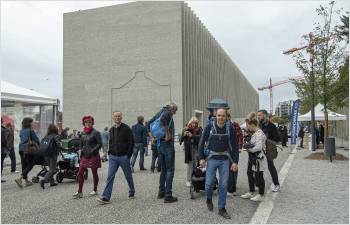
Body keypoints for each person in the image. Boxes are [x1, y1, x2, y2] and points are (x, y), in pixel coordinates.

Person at [198, 108, 239, 219]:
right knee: (209, 184)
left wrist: (235, 162)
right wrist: (201, 158)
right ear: (216, 116)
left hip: (225, 159)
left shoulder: (230, 128)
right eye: (219, 115)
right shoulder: (209, 127)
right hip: (211, 159)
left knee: (224, 185)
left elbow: (235, 146)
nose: (221, 118)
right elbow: (201, 142)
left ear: (226, 117)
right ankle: (209, 199)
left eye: (223, 116)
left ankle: (221, 208)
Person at [97, 111, 135, 204]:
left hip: (123, 157)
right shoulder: (111, 129)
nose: (117, 118)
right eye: (115, 116)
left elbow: (131, 142)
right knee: (110, 176)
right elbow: (111, 142)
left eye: (119, 116)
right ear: (113, 118)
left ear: (121, 117)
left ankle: (132, 190)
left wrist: (128, 155)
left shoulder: (126, 128)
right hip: (113, 157)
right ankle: (106, 197)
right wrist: (109, 153)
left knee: (128, 175)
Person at [147, 102, 178, 203]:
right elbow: (163, 119)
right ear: (172, 108)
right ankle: (168, 195)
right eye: (175, 111)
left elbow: (148, 123)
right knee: (170, 170)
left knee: (164, 169)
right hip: (168, 144)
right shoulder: (167, 112)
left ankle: (161, 191)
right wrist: (168, 133)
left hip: (160, 144)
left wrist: (152, 137)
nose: (174, 113)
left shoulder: (159, 112)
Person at [73, 116, 102, 199]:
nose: (88, 123)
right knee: (80, 172)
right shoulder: (82, 133)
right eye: (86, 122)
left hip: (93, 155)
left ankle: (95, 189)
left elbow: (99, 144)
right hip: (84, 155)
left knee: (94, 173)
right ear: (84, 123)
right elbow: (81, 144)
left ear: (92, 123)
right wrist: (81, 151)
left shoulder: (96, 133)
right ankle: (79, 192)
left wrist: (92, 151)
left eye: (89, 122)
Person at [241, 112, 267, 201]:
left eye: (248, 125)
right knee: (249, 173)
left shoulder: (259, 133)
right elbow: (253, 144)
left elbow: (259, 147)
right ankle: (251, 191)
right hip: (253, 157)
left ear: (252, 124)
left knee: (259, 175)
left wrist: (249, 149)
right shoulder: (255, 133)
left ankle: (261, 194)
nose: (248, 127)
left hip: (258, 157)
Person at [257, 109, 280, 192]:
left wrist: (267, 140)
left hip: (269, 149)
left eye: (260, 115)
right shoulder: (259, 125)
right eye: (258, 115)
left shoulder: (271, 126)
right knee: (257, 167)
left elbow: (277, 139)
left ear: (265, 115)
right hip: (259, 149)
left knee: (271, 167)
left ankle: (276, 184)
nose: (258, 116)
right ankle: (259, 184)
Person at [15, 117, 41, 188]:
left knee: (24, 165)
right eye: (31, 122)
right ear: (29, 123)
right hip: (28, 149)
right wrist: (40, 145)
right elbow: (36, 139)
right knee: (30, 164)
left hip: (21, 149)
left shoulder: (21, 130)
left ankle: (26, 181)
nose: (32, 124)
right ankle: (19, 178)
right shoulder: (31, 130)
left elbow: (22, 139)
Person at [179, 116, 203, 187]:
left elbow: (201, 139)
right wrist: (184, 135)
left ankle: (196, 179)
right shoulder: (186, 129)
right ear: (190, 122)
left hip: (197, 149)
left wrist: (192, 136)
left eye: (196, 123)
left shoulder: (199, 129)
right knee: (190, 165)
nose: (194, 125)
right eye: (193, 123)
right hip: (188, 149)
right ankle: (188, 180)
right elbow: (181, 140)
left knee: (196, 164)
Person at [39, 124, 62, 189]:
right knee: (53, 169)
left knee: (50, 168)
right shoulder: (56, 136)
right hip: (53, 154)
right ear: (55, 129)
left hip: (45, 154)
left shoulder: (46, 136)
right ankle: (44, 180)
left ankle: (52, 182)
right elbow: (59, 145)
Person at [227, 120, 243, 196]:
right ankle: (230, 186)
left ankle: (233, 187)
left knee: (233, 167)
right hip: (226, 149)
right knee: (228, 168)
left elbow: (240, 135)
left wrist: (239, 147)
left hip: (233, 148)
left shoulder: (234, 125)